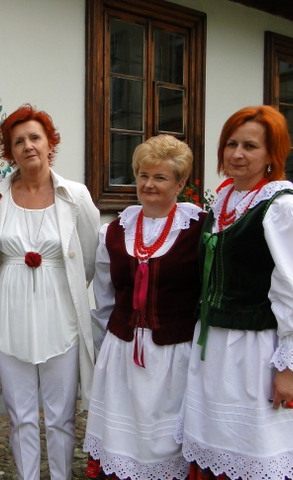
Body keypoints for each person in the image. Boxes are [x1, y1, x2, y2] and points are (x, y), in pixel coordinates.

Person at [177, 105, 293, 480]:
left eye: (250, 146)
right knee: (218, 446)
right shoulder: (224, 202)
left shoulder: (283, 208)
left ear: (272, 154)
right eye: (231, 144)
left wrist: (290, 367)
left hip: (258, 349)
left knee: (260, 449)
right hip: (216, 349)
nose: (237, 154)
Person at [0, 104, 100, 480]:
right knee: (20, 416)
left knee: (61, 416)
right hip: (9, 315)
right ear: (10, 151)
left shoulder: (75, 196)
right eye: (18, 141)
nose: (28, 146)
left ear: (50, 143)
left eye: (35, 137)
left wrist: (55, 286)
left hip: (60, 315)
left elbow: (87, 259)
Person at [83, 134, 206, 480]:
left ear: (180, 184)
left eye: (160, 177)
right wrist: (111, 337)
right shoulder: (114, 231)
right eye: (143, 175)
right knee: (123, 435)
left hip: (175, 352)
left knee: (166, 437)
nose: (149, 184)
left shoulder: (197, 229)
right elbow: (105, 294)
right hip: (123, 350)